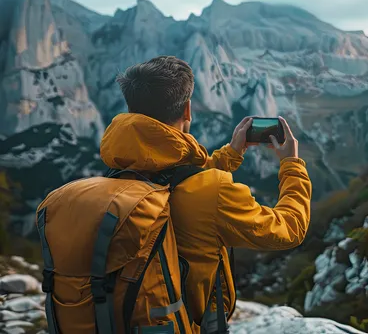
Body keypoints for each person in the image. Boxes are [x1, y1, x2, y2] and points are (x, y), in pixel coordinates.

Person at [100, 55, 312, 333]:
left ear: (131, 109)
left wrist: (232, 154)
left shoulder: (115, 175)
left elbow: (174, 179)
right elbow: (289, 229)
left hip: (116, 320)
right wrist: (291, 166)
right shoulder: (213, 192)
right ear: (188, 110)